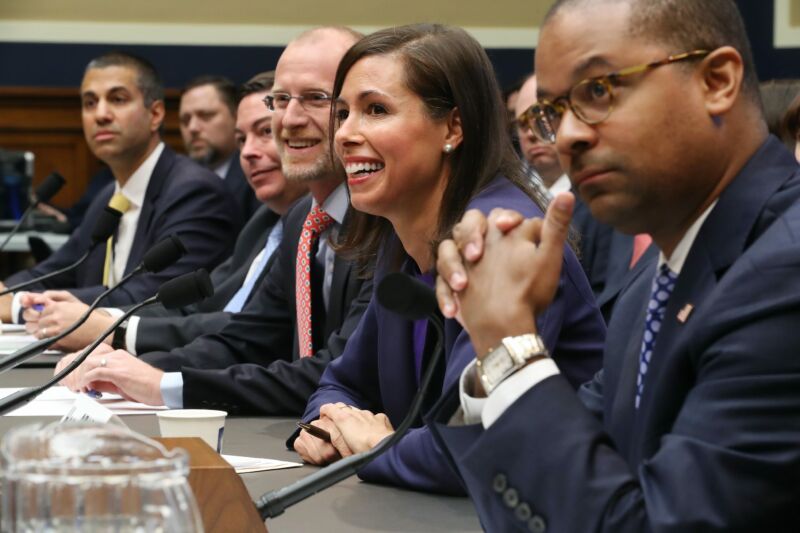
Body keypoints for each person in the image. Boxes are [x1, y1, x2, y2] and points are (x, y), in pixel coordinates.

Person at [432, 0, 800, 530]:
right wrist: (495, 354)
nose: (565, 137)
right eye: (551, 113)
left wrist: (509, 341)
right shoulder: (655, 275)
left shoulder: (784, 272)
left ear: (716, 80)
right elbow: (583, 473)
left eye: (598, 91)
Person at [292, 24, 605, 496]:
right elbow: (339, 384)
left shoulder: (502, 237)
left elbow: (471, 445)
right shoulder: (402, 241)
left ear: (453, 128)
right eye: (343, 113)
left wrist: (377, 446)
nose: (345, 134)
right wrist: (327, 425)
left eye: (375, 110)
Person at [55, 27, 372, 417]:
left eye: (315, 99)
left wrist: (160, 384)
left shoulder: (384, 222)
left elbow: (342, 370)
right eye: (281, 100)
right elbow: (245, 340)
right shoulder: (301, 222)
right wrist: (132, 370)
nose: (288, 119)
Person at [27, 71, 307, 353]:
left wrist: (112, 329)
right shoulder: (266, 224)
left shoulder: (196, 191)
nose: (247, 152)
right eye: (241, 140)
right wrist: (102, 319)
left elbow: (250, 330)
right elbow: (196, 306)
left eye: (266, 131)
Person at [0, 52, 237, 324]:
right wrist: (8, 290)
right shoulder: (110, 196)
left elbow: (151, 295)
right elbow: (56, 269)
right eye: (90, 103)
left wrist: (19, 305)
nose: (100, 114)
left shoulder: (195, 192)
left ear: (156, 114)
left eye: (117, 99)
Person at [179, 75, 260, 226]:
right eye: (185, 120)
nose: (192, 128)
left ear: (237, 117)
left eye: (206, 116)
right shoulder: (178, 181)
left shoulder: (258, 174)